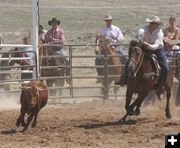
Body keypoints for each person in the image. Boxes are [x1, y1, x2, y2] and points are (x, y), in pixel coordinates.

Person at [116, 15, 169, 91]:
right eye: (151, 23)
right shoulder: (145, 28)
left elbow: (155, 46)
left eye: (154, 23)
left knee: (165, 67)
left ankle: (160, 85)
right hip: (145, 47)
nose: (152, 25)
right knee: (131, 60)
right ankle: (124, 79)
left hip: (158, 49)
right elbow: (140, 31)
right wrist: (138, 35)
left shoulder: (159, 32)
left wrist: (147, 44)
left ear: (157, 24)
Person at [95, 14, 127, 82]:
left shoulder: (116, 29)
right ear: (105, 21)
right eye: (107, 20)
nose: (108, 21)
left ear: (111, 20)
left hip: (116, 46)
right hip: (106, 48)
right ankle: (100, 75)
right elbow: (100, 39)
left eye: (109, 20)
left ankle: (125, 74)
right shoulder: (102, 30)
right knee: (98, 59)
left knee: (125, 56)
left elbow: (121, 38)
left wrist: (116, 38)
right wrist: (99, 37)